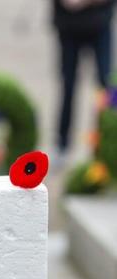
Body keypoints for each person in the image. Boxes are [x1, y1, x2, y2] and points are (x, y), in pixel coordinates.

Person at [53, 0, 115, 159]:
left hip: (99, 23)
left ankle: (106, 146)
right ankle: (62, 143)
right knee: (68, 86)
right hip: (68, 26)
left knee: (105, 87)